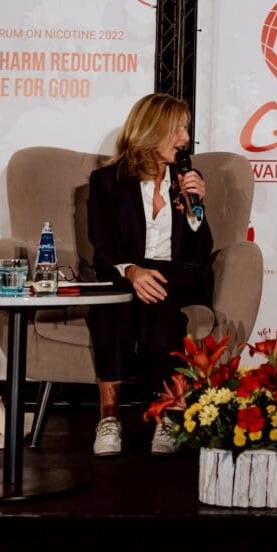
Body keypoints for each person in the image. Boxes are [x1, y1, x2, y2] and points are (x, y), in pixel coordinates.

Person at [85, 92, 213, 457]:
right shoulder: (107, 181)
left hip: (180, 274)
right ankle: (109, 418)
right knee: (111, 308)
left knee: (162, 297)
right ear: (154, 130)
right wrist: (134, 271)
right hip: (128, 270)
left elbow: (202, 248)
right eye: (179, 129)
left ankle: (165, 417)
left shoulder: (187, 178)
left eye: (186, 129)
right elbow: (103, 247)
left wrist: (196, 210)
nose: (186, 138)